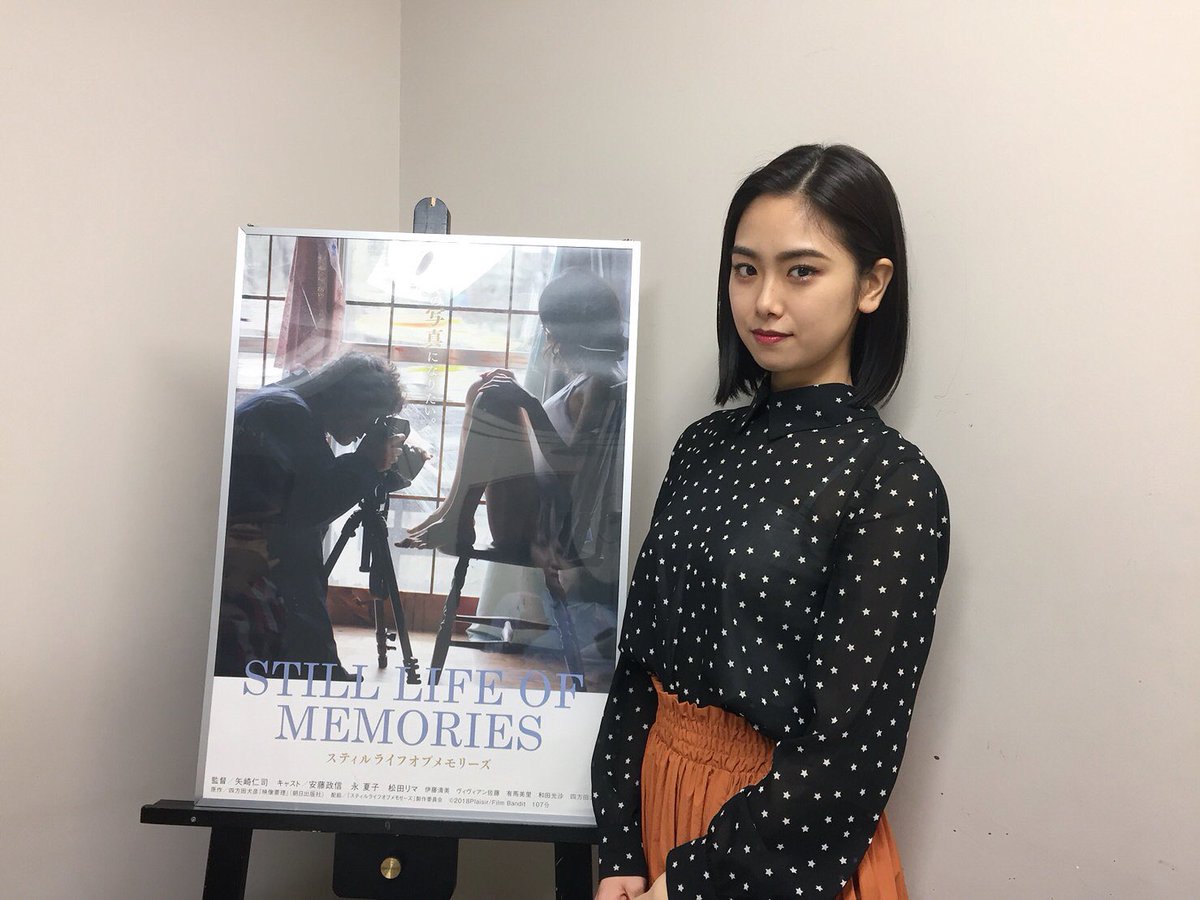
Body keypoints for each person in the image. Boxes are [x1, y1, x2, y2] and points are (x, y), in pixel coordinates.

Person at [591, 145, 951, 900]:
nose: (764, 301)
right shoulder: (701, 446)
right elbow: (636, 669)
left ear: (872, 284)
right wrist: (620, 848)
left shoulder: (892, 481)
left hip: (773, 852)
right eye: (745, 269)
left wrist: (691, 884)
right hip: (656, 820)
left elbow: (850, 753)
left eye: (801, 271)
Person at [215, 351, 422, 677]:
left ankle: (321, 670)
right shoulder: (288, 414)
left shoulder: (286, 402)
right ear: (353, 402)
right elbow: (310, 508)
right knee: (303, 566)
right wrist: (367, 463)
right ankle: (318, 674)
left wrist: (382, 470)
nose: (366, 433)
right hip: (249, 551)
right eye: (373, 420)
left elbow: (312, 491)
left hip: (243, 540)